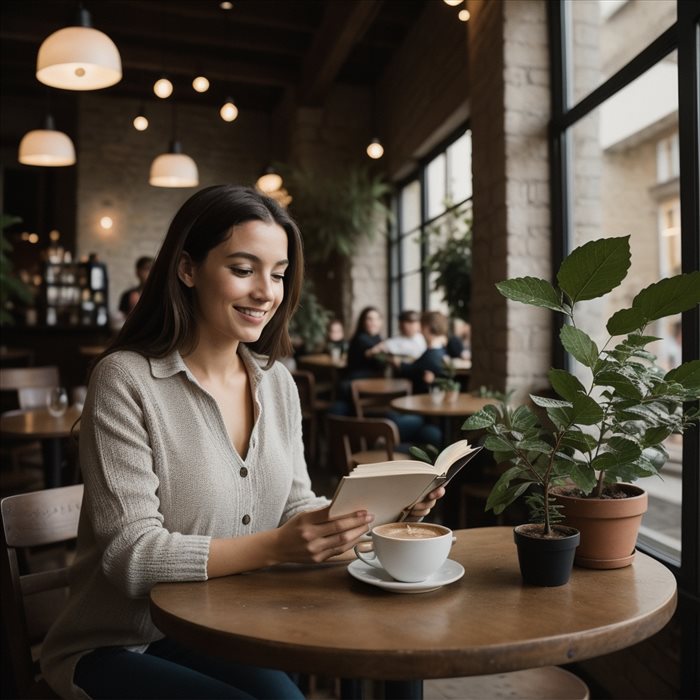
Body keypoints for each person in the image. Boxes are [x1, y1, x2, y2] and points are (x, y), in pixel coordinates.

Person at [40, 185, 444, 700]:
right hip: (121, 642)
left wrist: (391, 517)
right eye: (242, 269)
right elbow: (131, 556)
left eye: (277, 274)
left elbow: (297, 506)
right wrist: (278, 546)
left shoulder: (277, 383)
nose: (266, 292)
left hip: (226, 627)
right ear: (187, 269)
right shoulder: (126, 380)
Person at [344, 306, 386, 381]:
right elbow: (369, 351)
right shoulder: (360, 338)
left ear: (381, 322)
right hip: (360, 380)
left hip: (373, 379)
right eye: (369, 319)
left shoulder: (378, 338)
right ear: (363, 321)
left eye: (377, 319)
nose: (374, 323)